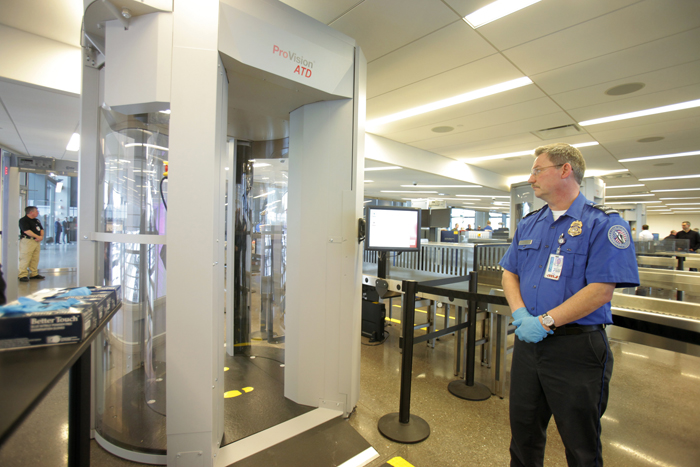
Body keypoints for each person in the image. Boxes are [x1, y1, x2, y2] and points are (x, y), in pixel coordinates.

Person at [499, 143, 639, 467]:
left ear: (565, 170)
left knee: (581, 446)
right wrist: (521, 314)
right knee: (523, 436)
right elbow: (509, 272)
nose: (531, 178)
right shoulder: (530, 223)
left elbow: (601, 290)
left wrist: (546, 321)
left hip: (576, 349)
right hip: (528, 346)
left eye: (537, 170)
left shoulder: (603, 224)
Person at [18, 206, 46, 282]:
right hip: (28, 241)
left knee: (35, 258)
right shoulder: (23, 220)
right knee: (25, 258)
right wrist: (37, 236)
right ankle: (22, 275)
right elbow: (26, 231)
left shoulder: (36, 220)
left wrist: (41, 237)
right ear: (31, 212)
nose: (38, 213)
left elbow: (41, 229)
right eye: (36, 211)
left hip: (36, 241)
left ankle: (34, 274)